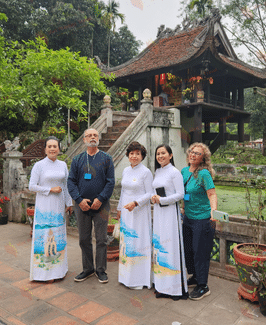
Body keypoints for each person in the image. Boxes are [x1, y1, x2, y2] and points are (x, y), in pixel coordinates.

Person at [68, 128, 115, 283]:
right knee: (83, 238)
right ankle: (87, 269)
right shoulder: (77, 160)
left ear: (98, 138)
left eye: (95, 135)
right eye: (89, 135)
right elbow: (71, 182)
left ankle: (100, 270)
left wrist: (100, 199)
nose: (93, 137)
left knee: (101, 239)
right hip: (82, 205)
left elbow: (110, 182)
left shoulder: (107, 158)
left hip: (101, 205)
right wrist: (79, 200)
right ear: (84, 139)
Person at [29, 136, 72, 282]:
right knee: (45, 235)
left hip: (59, 206)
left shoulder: (63, 165)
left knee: (59, 236)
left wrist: (69, 203)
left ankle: (60, 270)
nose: (52, 149)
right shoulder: (39, 165)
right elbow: (32, 186)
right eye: (50, 146)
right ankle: (45, 274)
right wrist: (50, 189)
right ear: (45, 149)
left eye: (55, 146)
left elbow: (65, 186)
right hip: (44, 206)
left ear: (59, 149)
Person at [151, 144, 188, 300]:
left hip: (170, 214)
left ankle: (175, 289)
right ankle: (161, 285)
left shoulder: (175, 172)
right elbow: (155, 191)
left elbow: (181, 194)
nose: (160, 156)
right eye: (158, 154)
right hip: (159, 212)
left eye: (163, 153)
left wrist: (163, 200)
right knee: (160, 247)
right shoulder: (158, 171)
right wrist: (154, 198)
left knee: (171, 247)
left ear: (170, 155)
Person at [181, 142, 218, 300]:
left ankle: (203, 285)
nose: (193, 155)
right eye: (191, 152)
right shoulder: (183, 171)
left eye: (197, 153)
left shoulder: (204, 174)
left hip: (202, 219)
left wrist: (213, 212)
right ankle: (195, 277)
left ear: (203, 158)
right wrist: (183, 207)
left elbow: (212, 194)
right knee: (188, 250)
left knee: (200, 251)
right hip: (188, 217)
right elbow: (182, 191)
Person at [117, 142, 153, 290]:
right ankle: (126, 276)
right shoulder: (125, 170)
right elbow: (123, 191)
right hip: (126, 212)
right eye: (132, 153)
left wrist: (136, 203)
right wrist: (119, 208)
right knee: (126, 241)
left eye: (137, 154)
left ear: (142, 156)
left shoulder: (146, 172)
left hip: (139, 212)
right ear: (128, 155)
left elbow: (150, 193)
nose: (134, 156)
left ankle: (139, 278)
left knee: (138, 241)